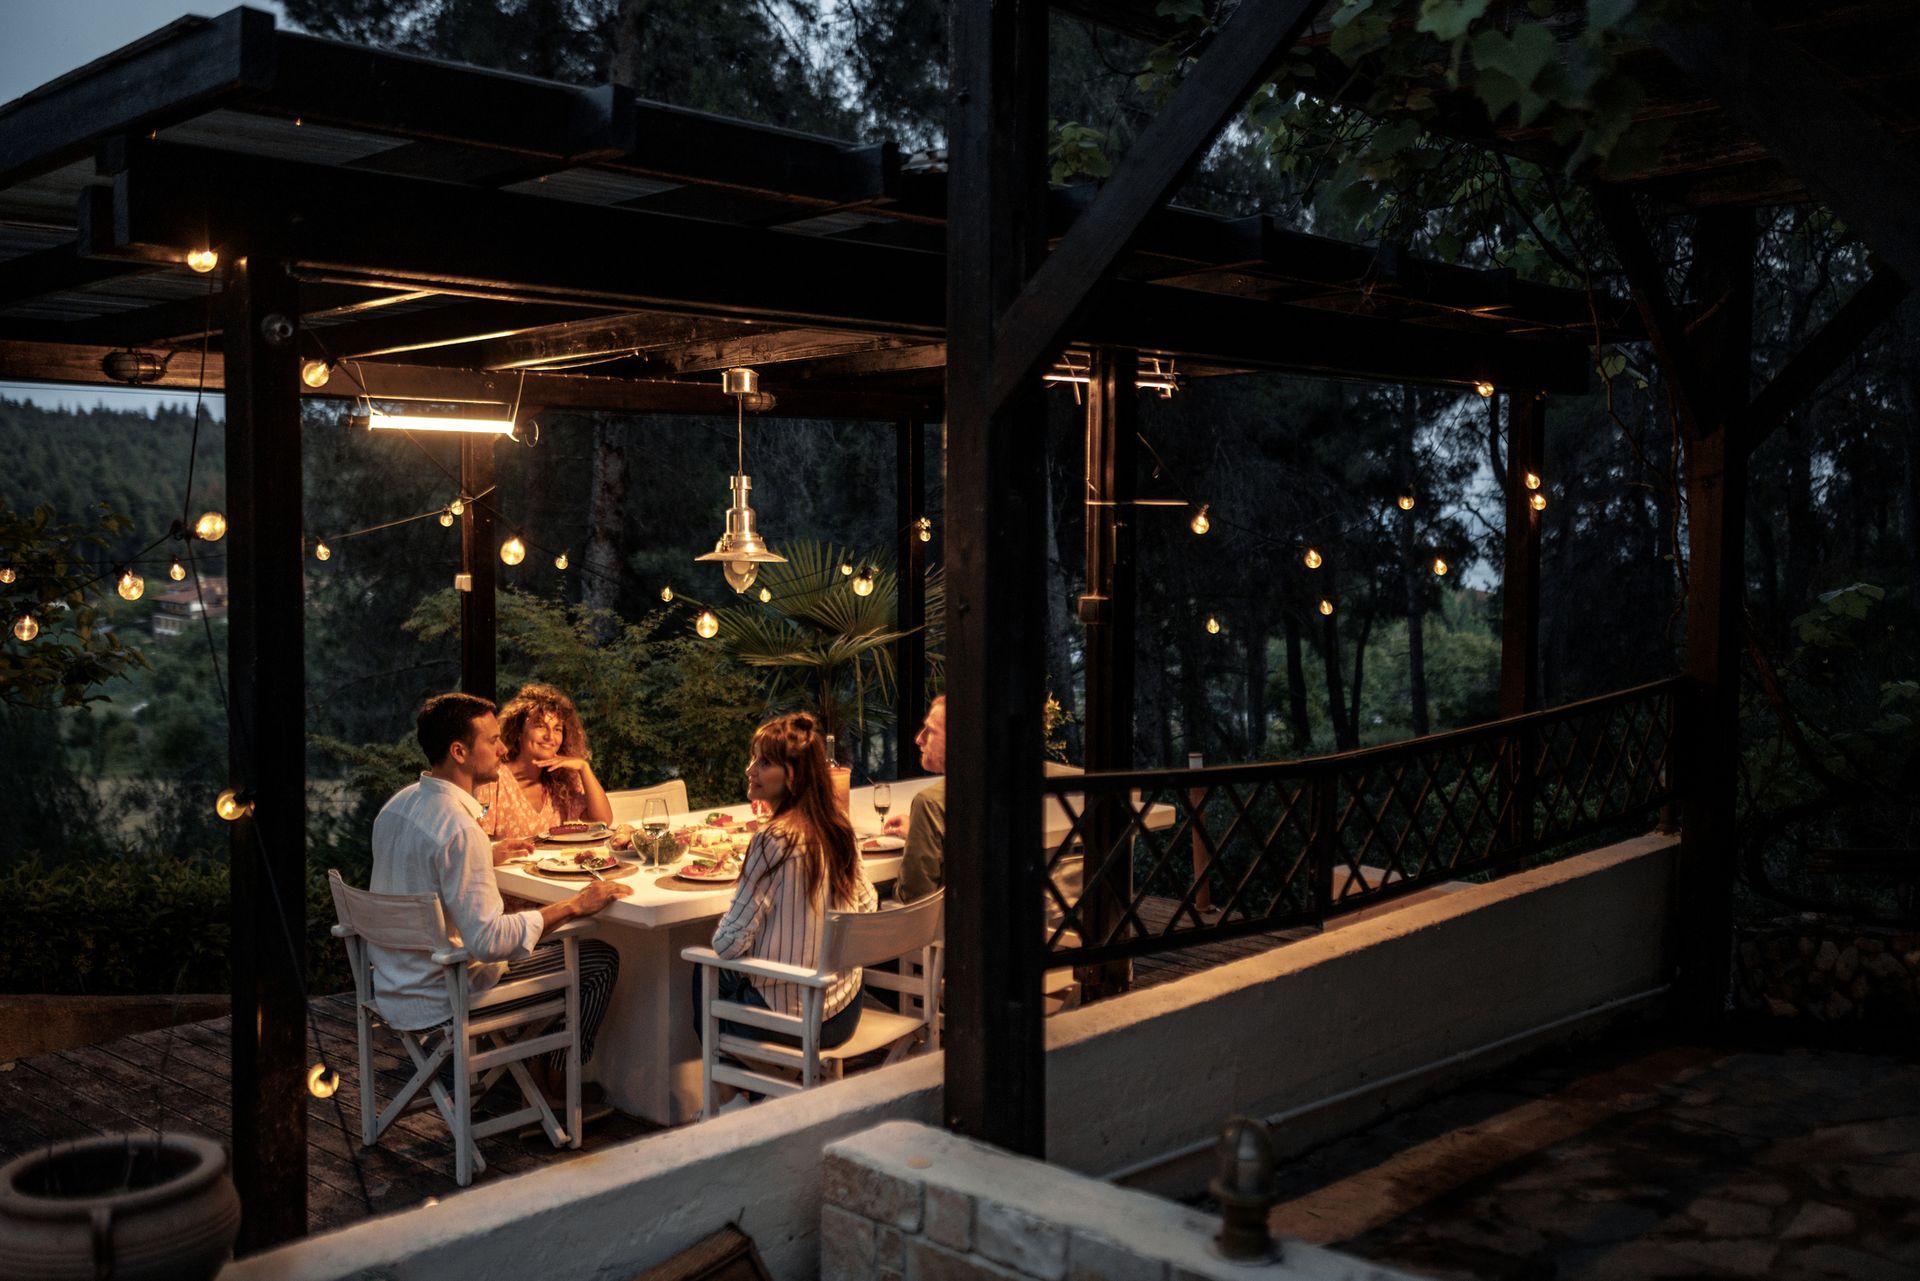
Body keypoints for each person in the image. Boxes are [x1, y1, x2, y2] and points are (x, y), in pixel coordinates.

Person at [370, 692, 630, 1095]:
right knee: (599, 958)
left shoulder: (398, 806)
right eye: (492, 740)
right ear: (459, 751)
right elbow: (489, 942)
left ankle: (526, 1078)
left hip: (392, 987)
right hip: (447, 994)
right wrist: (575, 905)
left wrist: (486, 855)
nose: (503, 748)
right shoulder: (460, 827)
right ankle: (556, 1087)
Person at [697, 712, 877, 1050]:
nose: (751, 769)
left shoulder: (773, 840)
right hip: (844, 1012)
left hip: (794, 1022)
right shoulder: (839, 828)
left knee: (703, 969)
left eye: (764, 763)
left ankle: (727, 1097)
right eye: (754, 758)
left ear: (792, 776)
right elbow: (868, 905)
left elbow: (727, 945)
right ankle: (756, 1091)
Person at [475, 684, 613, 843]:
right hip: (507, 868)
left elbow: (603, 821)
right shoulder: (492, 780)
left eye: (557, 729)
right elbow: (479, 847)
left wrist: (584, 767)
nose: (550, 736)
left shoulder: (563, 779)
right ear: (518, 731)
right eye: (540, 726)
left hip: (555, 867)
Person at [885, 696, 946, 904]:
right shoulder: (995, 790)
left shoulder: (929, 803)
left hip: (943, 932)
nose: (919, 739)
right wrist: (918, 831)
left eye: (930, 731)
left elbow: (915, 894)